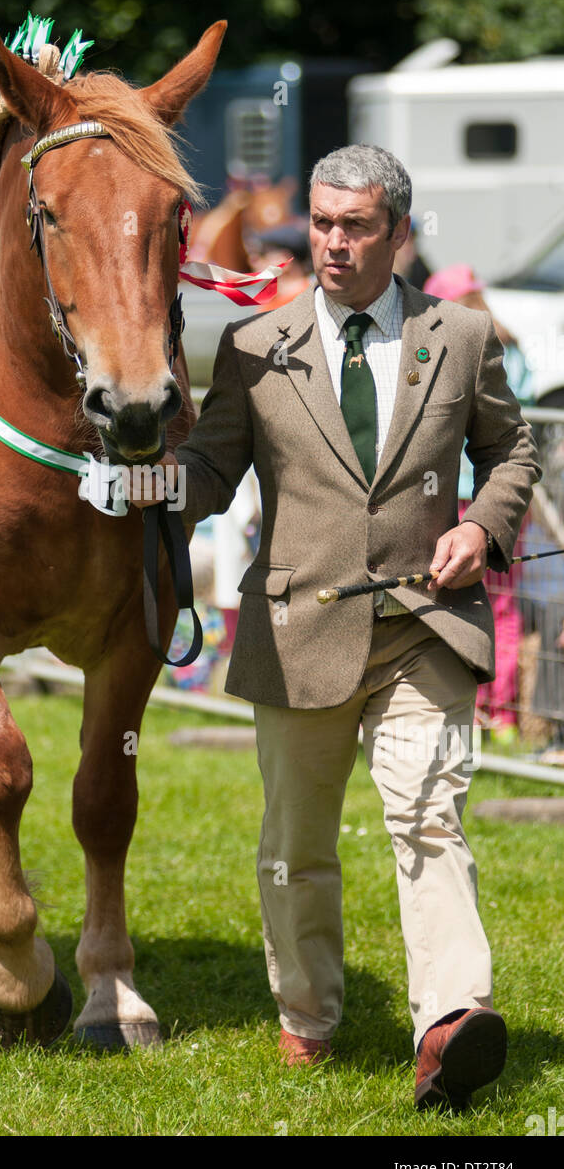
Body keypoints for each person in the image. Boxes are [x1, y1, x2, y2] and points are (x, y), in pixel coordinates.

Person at [133, 144, 540, 1111]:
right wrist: (146, 489)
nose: (333, 243)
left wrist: (482, 526)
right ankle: (307, 1017)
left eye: (355, 226)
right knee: (295, 843)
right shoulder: (252, 345)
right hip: (295, 630)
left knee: (427, 815)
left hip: (423, 626)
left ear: (398, 233)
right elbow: (211, 468)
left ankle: (447, 1025)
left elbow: (512, 448)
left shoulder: (463, 337)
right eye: (320, 223)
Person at [423, 265, 534, 745]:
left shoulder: (443, 344)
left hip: (456, 492)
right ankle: (502, 712)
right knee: (504, 602)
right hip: (506, 495)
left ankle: (473, 711)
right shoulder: (513, 346)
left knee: (450, 593)